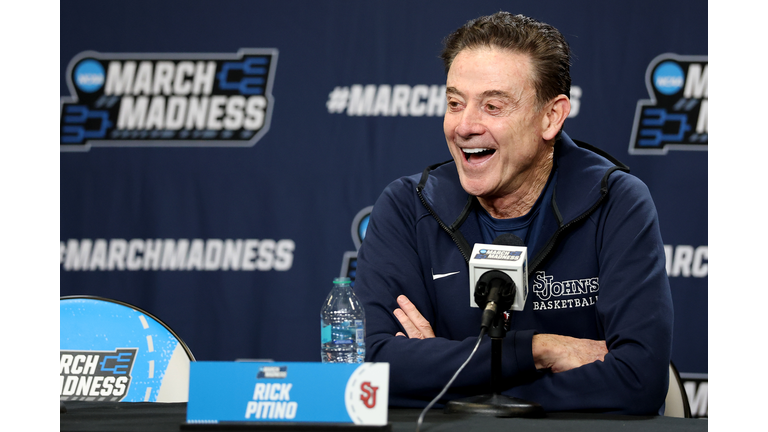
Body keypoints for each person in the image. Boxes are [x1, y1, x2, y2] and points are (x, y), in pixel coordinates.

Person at [353, 12, 673, 415]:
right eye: (455, 103)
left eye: (492, 105)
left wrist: (445, 377)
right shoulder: (407, 206)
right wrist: (538, 350)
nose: (465, 125)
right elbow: (366, 374)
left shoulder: (617, 201)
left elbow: (637, 382)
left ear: (550, 116)